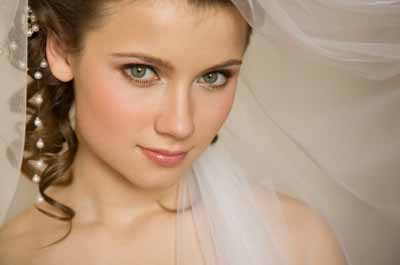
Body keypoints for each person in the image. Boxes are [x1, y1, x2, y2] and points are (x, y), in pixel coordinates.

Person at [0, 0, 399, 265]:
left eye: (214, 77)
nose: (181, 124)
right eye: (142, 71)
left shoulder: (296, 243)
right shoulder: (13, 253)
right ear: (62, 51)